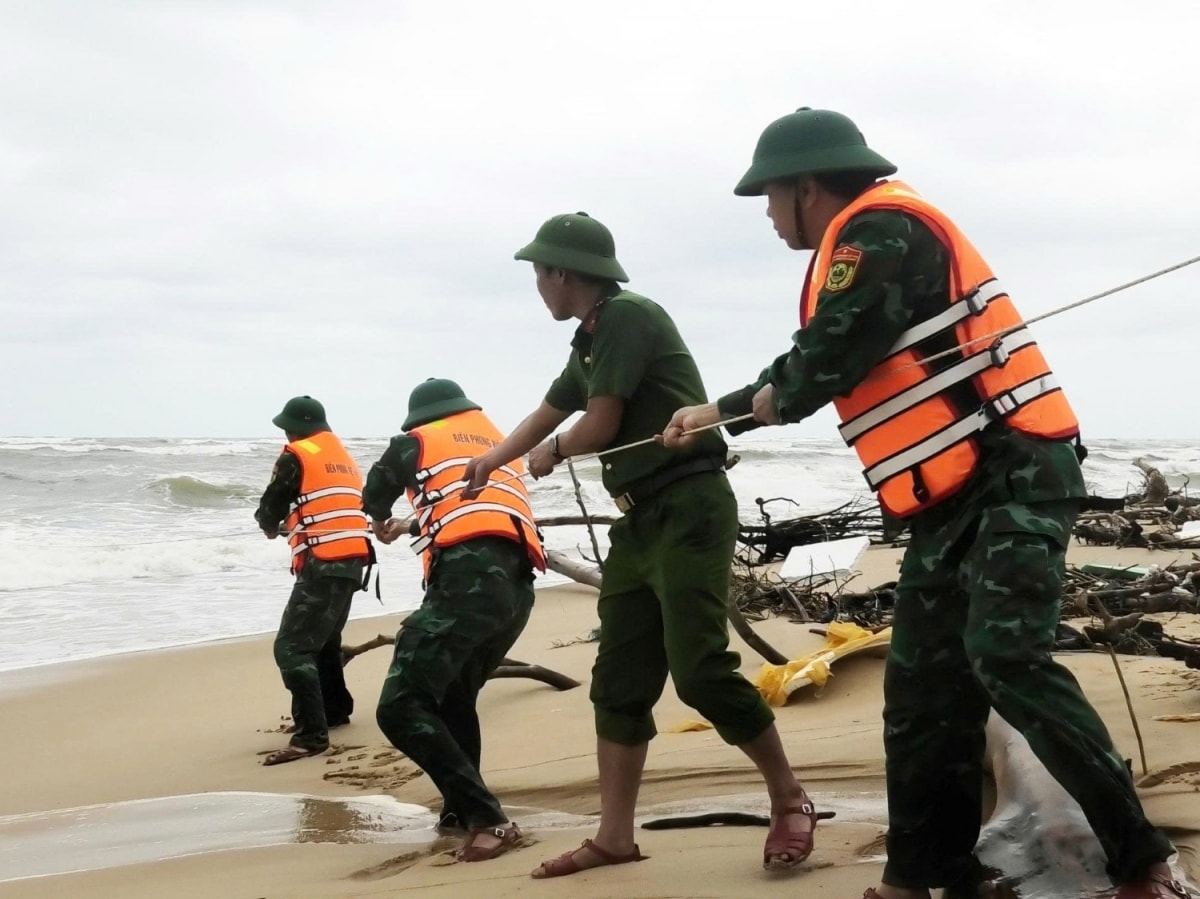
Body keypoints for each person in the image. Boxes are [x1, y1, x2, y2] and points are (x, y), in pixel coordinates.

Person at [664, 107, 1192, 899]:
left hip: (1012, 474)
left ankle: (1143, 859)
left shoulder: (877, 230)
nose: (769, 218)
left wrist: (725, 409)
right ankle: (925, 872)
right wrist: (728, 406)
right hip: (951, 502)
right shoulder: (864, 235)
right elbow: (834, 355)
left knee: (1006, 657)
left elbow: (822, 363)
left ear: (808, 187)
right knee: (919, 690)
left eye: (770, 199)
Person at [461, 212, 819, 880]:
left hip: (689, 506)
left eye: (539, 272)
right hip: (637, 522)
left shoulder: (626, 317)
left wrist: (554, 451)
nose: (536, 284)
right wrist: (493, 461)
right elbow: (551, 408)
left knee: (699, 670)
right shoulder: (589, 338)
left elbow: (595, 423)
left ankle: (789, 796)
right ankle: (615, 836)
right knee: (619, 682)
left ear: (563, 273)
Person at [363, 378, 543, 863]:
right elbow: (470, 510)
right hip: (518, 594)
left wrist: (378, 518)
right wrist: (410, 524)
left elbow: (374, 489)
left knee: (399, 707)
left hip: (467, 586)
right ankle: (459, 810)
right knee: (453, 699)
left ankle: (489, 819)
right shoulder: (495, 448)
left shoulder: (415, 442)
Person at [255, 395, 373, 766]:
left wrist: (268, 523)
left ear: (297, 428)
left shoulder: (297, 454)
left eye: (287, 428)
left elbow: (272, 505)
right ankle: (335, 710)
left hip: (322, 563)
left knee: (291, 649)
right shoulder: (341, 457)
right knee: (323, 643)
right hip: (353, 560)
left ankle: (310, 736)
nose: (286, 435)